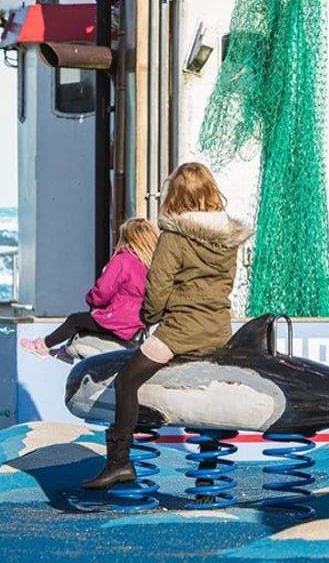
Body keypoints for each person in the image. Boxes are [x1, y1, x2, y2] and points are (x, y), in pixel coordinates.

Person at [82, 162, 250, 489]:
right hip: (218, 330)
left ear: (176, 193)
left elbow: (156, 289)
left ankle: (119, 462)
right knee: (206, 397)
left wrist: (148, 317)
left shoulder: (174, 235)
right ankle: (208, 477)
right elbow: (224, 285)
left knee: (127, 381)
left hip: (179, 332)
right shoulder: (228, 239)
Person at [20, 218, 159, 358]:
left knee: (75, 321)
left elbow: (102, 292)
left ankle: (43, 346)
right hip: (138, 325)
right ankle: (65, 351)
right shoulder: (152, 264)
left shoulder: (123, 260)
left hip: (119, 322)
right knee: (88, 321)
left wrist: (91, 299)